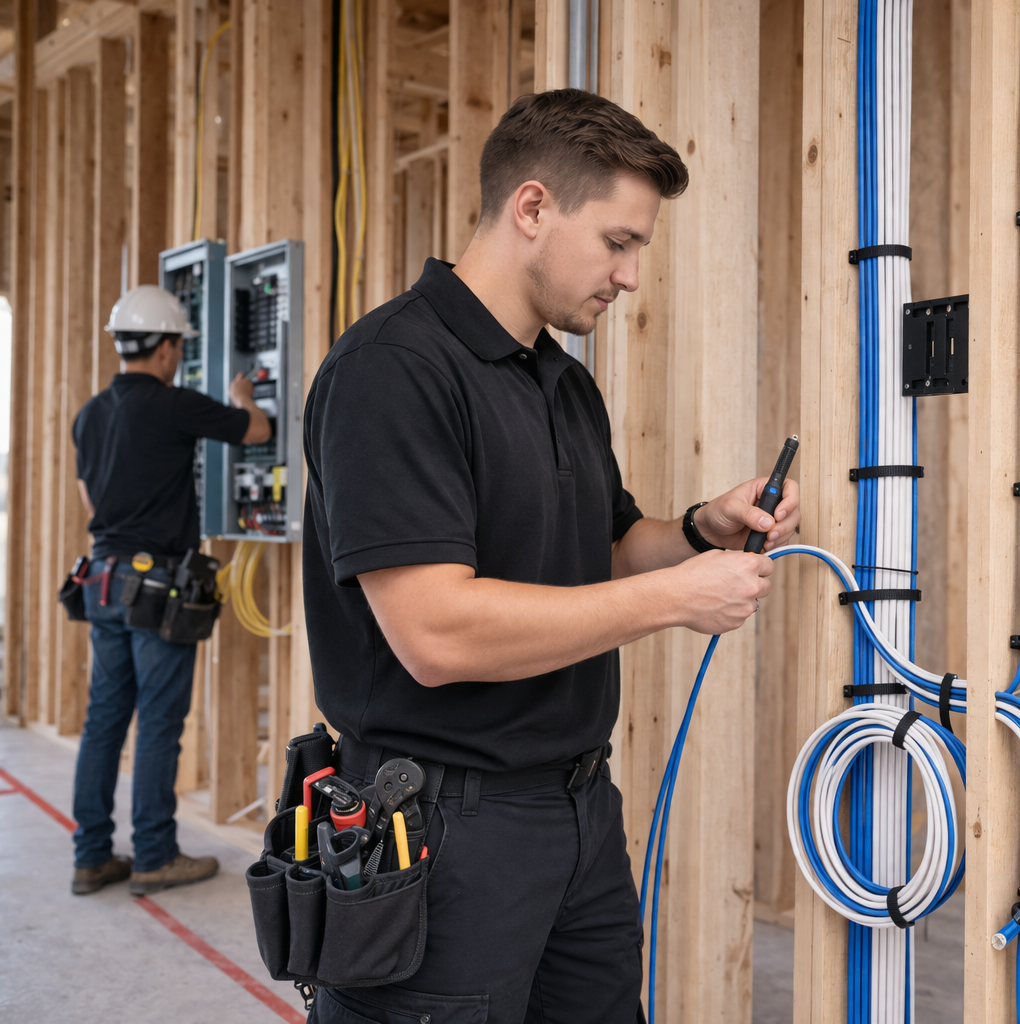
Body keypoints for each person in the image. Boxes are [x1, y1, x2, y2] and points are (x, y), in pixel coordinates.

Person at [302, 89, 798, 1023]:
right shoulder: (392, 372)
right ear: (532, 208)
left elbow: (604, 552)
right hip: (439, 831)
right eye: (619, 242)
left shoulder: (563, 382)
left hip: (577, 815)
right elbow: (435, 634)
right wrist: (678, 599)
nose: (632, 276)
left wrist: (700, 528)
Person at [70, 285, 272, 897]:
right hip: (156, 589)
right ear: (164, 349)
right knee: (159, 723)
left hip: (102, 581)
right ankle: (155, 854)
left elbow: (91, 503)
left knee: (104, 721)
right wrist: (243, 397)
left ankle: (92, 856)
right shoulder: (173, 404)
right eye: (178, 345)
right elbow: (257, 431)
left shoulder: (91, 413)